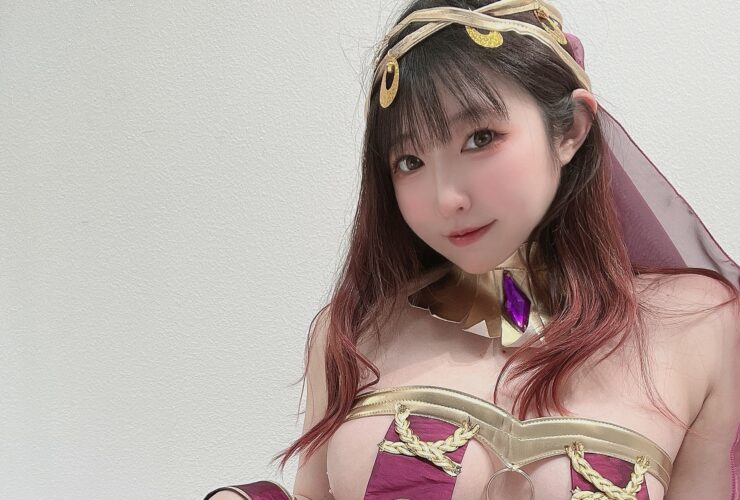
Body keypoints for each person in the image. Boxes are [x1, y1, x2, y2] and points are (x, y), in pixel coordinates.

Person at [204, 0, 739, 498]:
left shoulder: (699, 326)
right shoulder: (355, 327)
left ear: (571, 130)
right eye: (409, 161)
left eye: (480, 138)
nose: (446, 199)